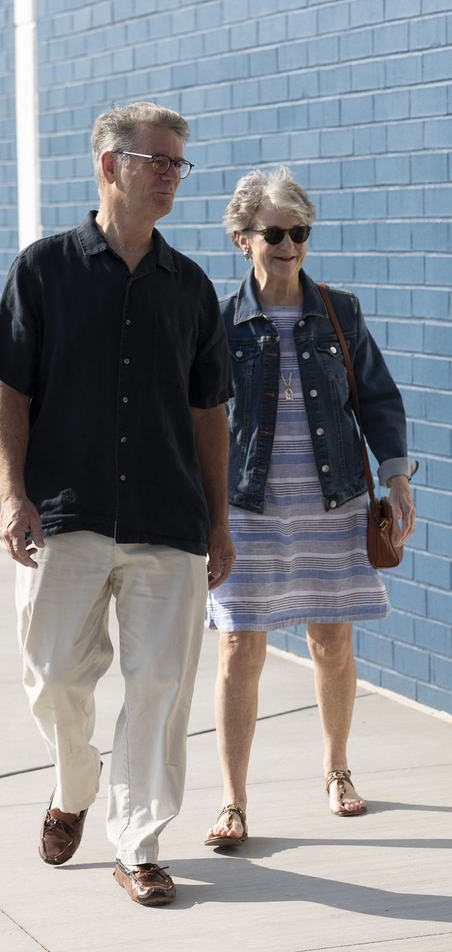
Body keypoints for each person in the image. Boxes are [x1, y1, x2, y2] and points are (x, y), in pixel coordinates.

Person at [0, 101, 234, 906]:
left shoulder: (192, 287)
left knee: (160, 687)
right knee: (54, 675)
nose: (170, 176)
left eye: (178, 164)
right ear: (109, 165)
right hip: (65, 510)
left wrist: (220, 520)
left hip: (169, 517)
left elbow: (210, 412)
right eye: (156, 160)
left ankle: (138, 843)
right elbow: (11, 390)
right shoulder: (42, 270)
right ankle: (75, 783)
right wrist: (11, 492)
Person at [204, 166, 416, 848]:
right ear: (243, 239)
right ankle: (234, 801)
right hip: (248, 508)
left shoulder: (338, 311)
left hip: (332, 503)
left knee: (331, 641)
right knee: (240, 647)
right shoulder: (218, 321)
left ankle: (337, 768)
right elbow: (195, 414)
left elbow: (376, 398)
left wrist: (397, 476)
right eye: (275, 233)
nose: (289, 244)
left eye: (300, 232)